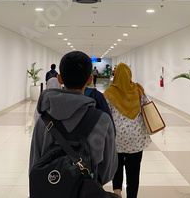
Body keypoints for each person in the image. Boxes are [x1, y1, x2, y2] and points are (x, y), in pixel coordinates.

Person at [30, 51, 117, 186]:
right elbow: (108, 172)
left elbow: (35, 165)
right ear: (89, 79)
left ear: (59, 79)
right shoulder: (103, 120)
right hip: (88, 191)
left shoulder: (43, 120)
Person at [104, 62, 151, 198]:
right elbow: (147, 107)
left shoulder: (109, 92)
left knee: (116, 169)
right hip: (136, 140)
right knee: (134, 172)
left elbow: (105, 115)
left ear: (116, 75)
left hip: (116, 139)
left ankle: (117, 193)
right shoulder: (138, 90)